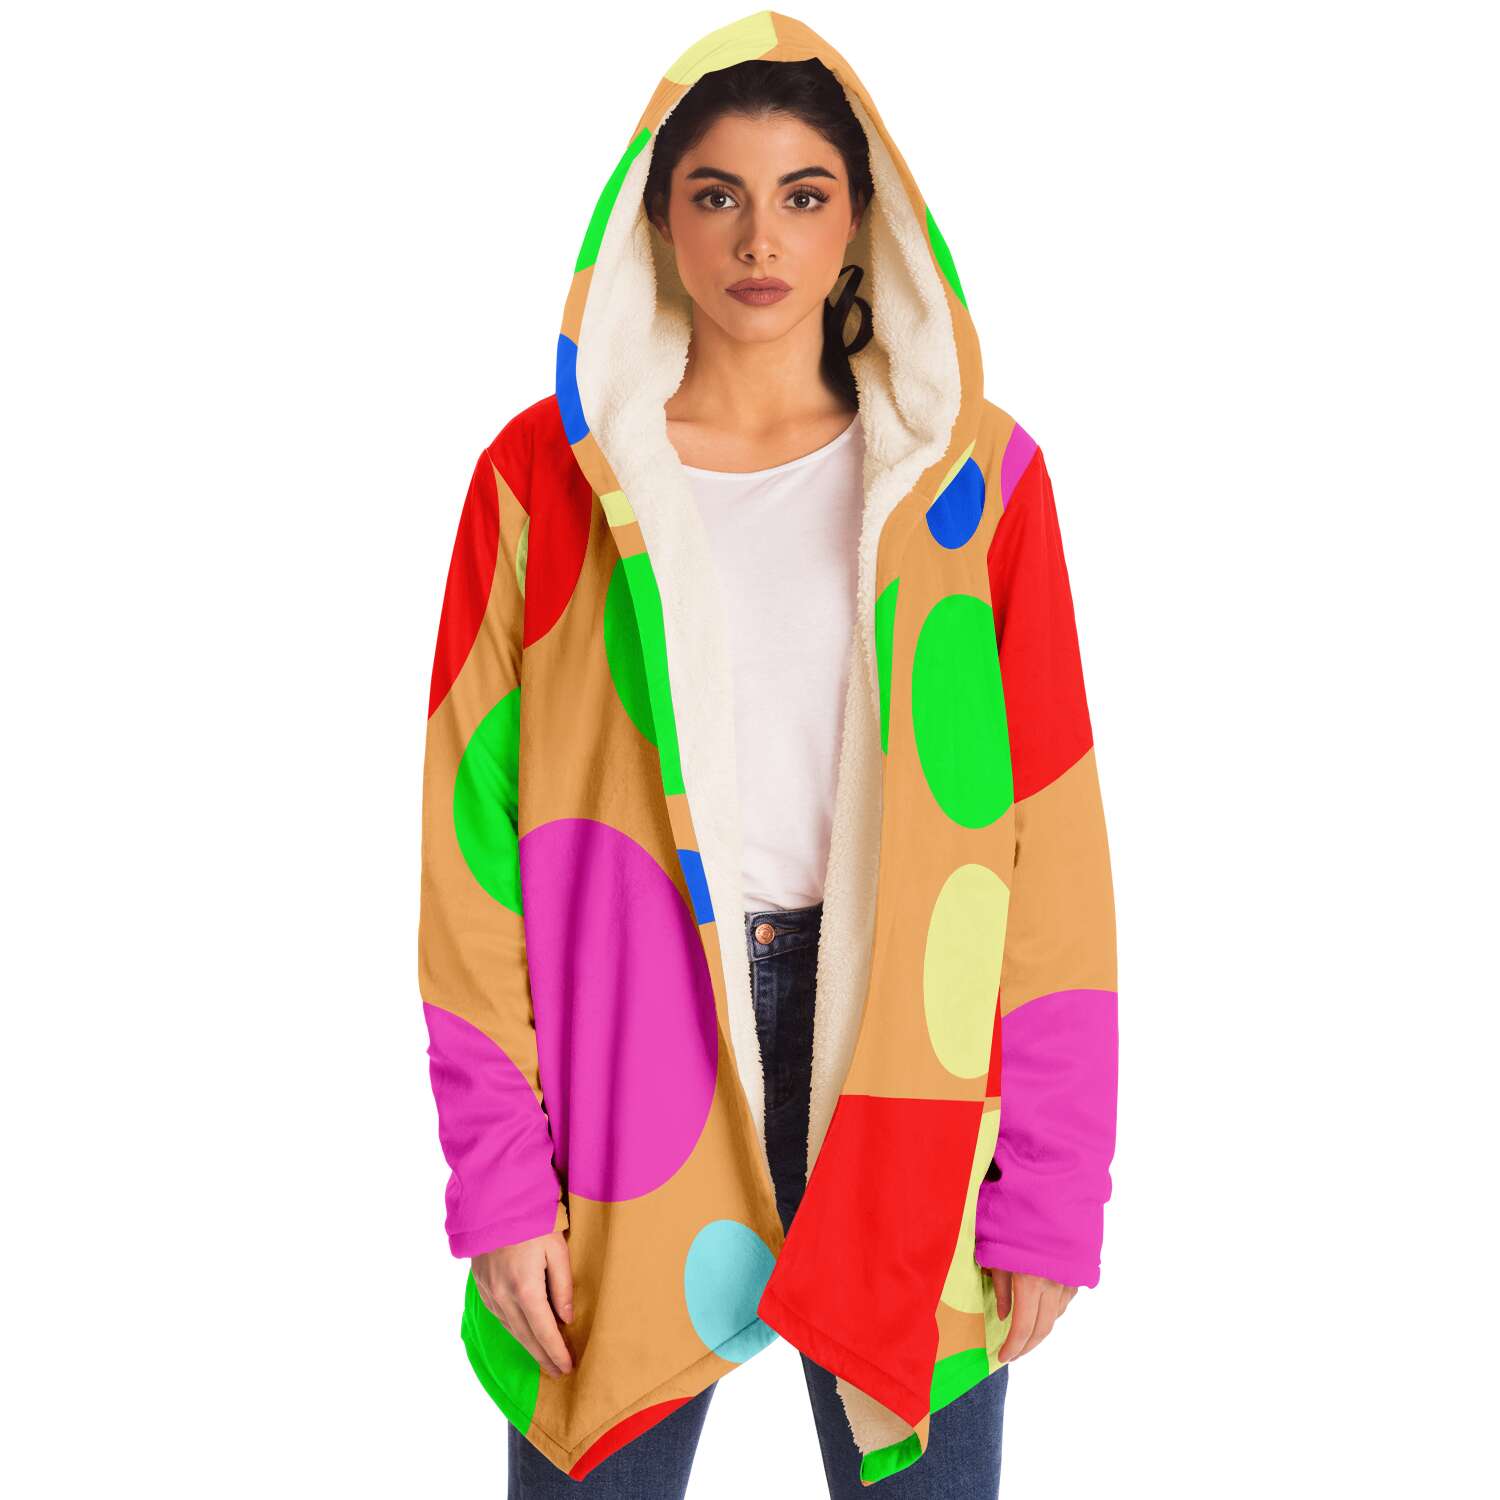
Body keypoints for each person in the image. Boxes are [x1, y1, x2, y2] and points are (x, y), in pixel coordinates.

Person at [417, 14, 1117, 1498]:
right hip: (626, 1057)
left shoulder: (978, 480)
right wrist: (500, 1180)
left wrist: (1053, 1188)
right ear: (655, 223)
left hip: (908, 1070)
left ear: (863, 222)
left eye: (804, 193)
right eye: (716, 193)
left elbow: (1052, 845)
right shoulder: (542, 480)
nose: (760, 238)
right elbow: (470, 855)